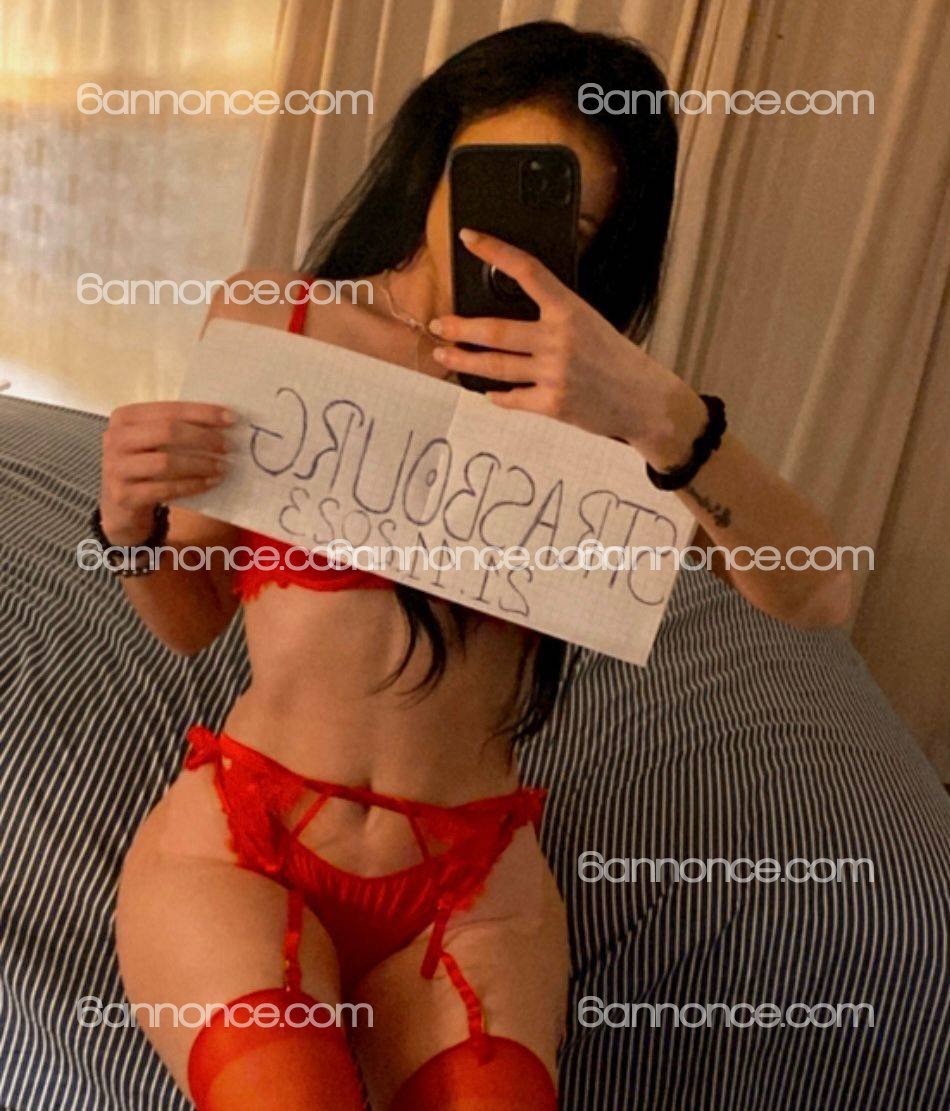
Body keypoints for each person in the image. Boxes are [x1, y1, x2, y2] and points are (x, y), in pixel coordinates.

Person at [105, 21, 850, 1110]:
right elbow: (190, 618)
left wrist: (667, 418)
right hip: (243, 847)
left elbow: (820, 591)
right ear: (432, 157)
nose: (501, 239)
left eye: (563, 221)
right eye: (483, 182)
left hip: (472, 888)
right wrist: (128, 519)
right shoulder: (283, 321)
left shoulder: (607, 410)